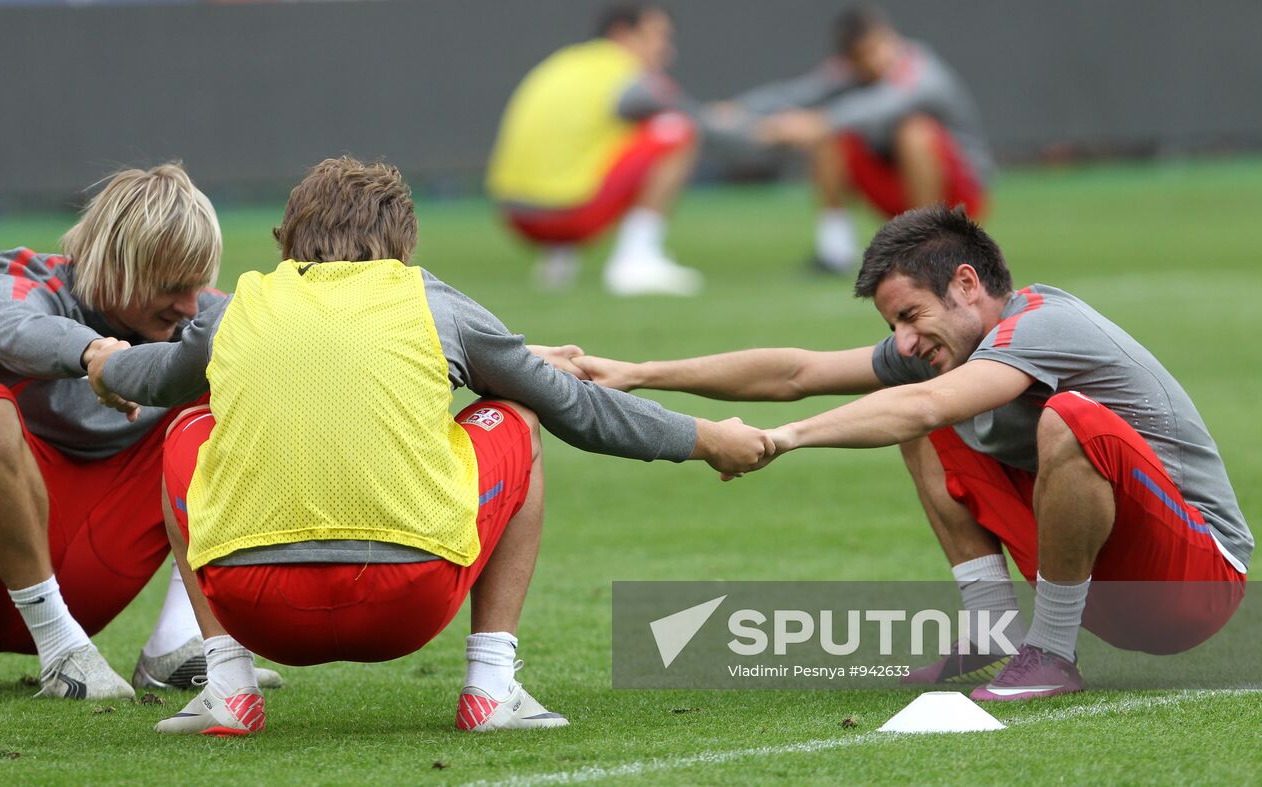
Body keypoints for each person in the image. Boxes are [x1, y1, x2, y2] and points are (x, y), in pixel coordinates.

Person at [85, 156, 773, 735]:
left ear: (287, 241)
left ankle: (230, 688)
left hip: (257, 605)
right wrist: (707, 437)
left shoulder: (237, 309)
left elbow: (150, 376)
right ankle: (490, 686)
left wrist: (99, 362)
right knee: (518, 415)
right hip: (407, 601)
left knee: (187, 426)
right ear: (402, 245)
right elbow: (572, 405)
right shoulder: (431, 299)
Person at [572, 205, 1250, 700]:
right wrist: (638, 370)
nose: (900, 339)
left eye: (909, 316)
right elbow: (796, 373)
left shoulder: (1045, 325)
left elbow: (926, 404)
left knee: (1062, 418)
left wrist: (786, 439)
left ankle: (1050, 652)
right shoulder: (950, 347)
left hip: (1193, 584)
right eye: (891, 324)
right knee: (920, 401)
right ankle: (995, 628)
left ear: (965, 284)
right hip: (1110, 579)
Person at [0, 163, 281, 701]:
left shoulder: (187, 314)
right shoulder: (23, 283)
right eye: (171, 287)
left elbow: (270, 334)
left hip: (93, 567)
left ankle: (182, 640)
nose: (191, 306)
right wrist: (94, 352)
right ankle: (61, 651)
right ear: (117, 266)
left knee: (239, 379)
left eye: (197, 286)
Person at [711, 4, 992, 274]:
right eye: (863, 54)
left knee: (913, 132)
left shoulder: (922, 71)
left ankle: (930, 246)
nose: (875, 59)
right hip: (896, 187)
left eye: (878, 46)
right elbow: (798, 93)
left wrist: (814, 123)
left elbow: (881, 105)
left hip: (959, 196)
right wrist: (743, 109)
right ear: (850, 58)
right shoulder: (848, 71)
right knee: (830, 139)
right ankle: (835, 251)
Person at [486, 3, 705, 296]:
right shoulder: (627, 73)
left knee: (604, 136)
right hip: (569, 215)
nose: (667, 51)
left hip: (512, 214)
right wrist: (757, 131)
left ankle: (560, 258)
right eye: (658, 37)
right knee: (676, 128)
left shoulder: (566, 61)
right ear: (623, 34)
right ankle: (636, 261)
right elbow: (697, 118)